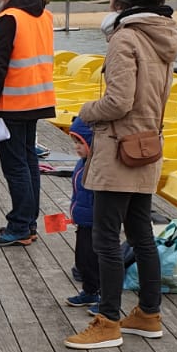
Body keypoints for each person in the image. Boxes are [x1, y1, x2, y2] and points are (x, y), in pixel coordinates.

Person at [65, 0, 177, 351]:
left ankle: (108, 320)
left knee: (105, 238)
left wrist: (85, 111)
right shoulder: (163, 36)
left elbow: (118, 101)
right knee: (141, 235)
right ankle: (148, 314)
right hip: (148, 146)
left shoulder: (125, 39)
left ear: (118, 0)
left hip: (118, 150)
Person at [0, 0, 56, 247]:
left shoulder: (8, 18)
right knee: (29, 161)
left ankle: (20, 225)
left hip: (10, 102)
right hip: (37, 99)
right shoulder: (43, 15)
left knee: (15, 166)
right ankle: (28, 223)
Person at [65, 115, 100, 308]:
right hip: (83, 220)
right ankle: (89, 291)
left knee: (93, 259)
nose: (76, 147)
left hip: (94, 222)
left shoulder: (95, 164)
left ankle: (99, 292)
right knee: (82, 259)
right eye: (75, 142)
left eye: (80, 142)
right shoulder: (82, 162)